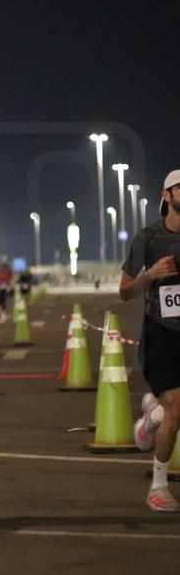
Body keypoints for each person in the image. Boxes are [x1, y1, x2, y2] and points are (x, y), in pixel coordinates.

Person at [120, 170, 180, 511]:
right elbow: (125, 291)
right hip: (162, 334)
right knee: (178, 407)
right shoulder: (148, 237)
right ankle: (158, 487)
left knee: (173, 410)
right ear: (166, 195)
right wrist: (152, 274)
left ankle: (154, 416)